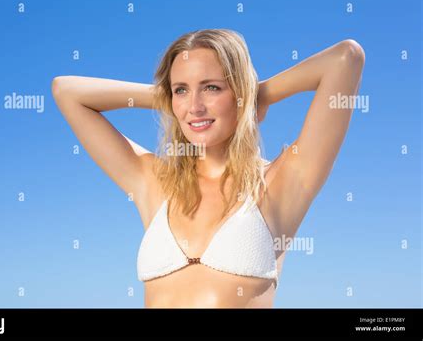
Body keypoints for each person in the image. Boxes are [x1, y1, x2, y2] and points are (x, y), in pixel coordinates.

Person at [51, 29, 365, 308]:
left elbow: (344, 58)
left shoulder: (281, 181)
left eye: (212, 87)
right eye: (182, 89)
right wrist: (165, 97)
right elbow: (67, 91)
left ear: (240, 91)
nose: (195, 106)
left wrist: (258, 94)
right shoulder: (154, 181)